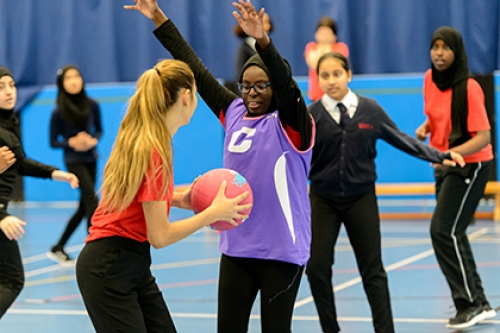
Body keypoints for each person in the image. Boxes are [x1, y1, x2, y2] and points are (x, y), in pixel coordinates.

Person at [126, 0, 314, 331]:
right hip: (237, 249)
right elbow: (194, 66)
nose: (252, 93)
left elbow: (287, 84)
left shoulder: (294, 125)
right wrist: (159, 19)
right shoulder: (235, 112)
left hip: (281, 251)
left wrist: (263, 42)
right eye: (246, 85)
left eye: (261, 85)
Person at [75, 58, 251, 333]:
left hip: (131, 264)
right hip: (109, 267)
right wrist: (211, 215)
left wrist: (182, 199)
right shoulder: (153, 149)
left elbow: (139, 199)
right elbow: (160, 236)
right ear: (186, 96)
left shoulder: (148, 138)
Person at [306, 52, 465, 333]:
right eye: (325, 75)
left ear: (349, 75)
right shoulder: (311, 116)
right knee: (316, 269)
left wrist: (439, 156)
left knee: (373, 272)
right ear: (318, 79)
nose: (331, 81)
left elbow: (402, 139)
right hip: (322, 200)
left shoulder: (371, 110)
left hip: (361, 199)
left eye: (337, 74)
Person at [415, 26, 496, 329]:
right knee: (455, 232)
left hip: (471, 165)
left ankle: (468, 303)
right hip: (445, 164)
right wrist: (427, 128)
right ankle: (480, 302)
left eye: (445, 47)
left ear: (456, 51)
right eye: (434, 47)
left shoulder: (470, 87)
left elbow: (484, 137)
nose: (438, 53)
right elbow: (438, 116)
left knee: (442, 230)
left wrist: (447, 153)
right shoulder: (429, 79)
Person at [0, 65, 79, 319]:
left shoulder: (7, 124)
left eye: (11, 85)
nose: (9, 92)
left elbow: (20, 162)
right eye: (1, 87)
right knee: (12, 280)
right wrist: (1, 215)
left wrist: (56, 173)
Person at [48, 64, 102, 265]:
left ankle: (58, 246)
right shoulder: (58, 111)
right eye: (68, 78)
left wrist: (92, 140)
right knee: (91, 201)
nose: (73, 81)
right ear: (62, 84)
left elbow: (99, 130)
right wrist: (70, 142)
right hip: (73, 160)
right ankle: (95, 250)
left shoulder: (92, 105)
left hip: (90, 158)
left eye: (76, 76)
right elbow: (53, 141)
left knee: (84, 206)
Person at [304, 16, 349, 103]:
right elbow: (313, 64)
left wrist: (327, 45)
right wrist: (322, 46)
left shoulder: (341, 47)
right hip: (316, 97)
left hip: (336, 96)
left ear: (334, 35)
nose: (324, 36)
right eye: (322, 33)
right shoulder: (311, 47)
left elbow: (332, 64)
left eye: (327, 33)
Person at [233, 11, 272, 81]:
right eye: (264, 23)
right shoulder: (245, 48)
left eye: (268, 22)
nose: (268, 27)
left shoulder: (269, 48)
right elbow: (239, 76)